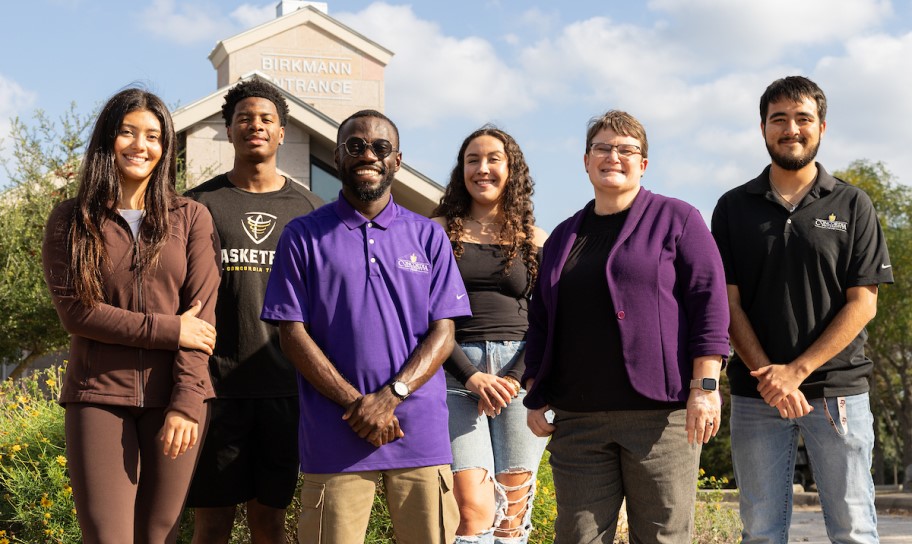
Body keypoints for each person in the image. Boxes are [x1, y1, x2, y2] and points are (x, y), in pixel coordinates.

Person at [260, 109, 472, 544]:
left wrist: (391, 397)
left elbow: (444, 331)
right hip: (335, 433)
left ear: (396, 160)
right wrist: (359, 406)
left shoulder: (428, 236)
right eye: (355, 146)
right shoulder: (302, 235)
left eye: (380, 147)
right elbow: (291, 333)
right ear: (338, 156)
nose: (368, 155)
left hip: (419, 433)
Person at [522, 110, 730, 543]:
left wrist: (705, 389)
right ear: (585, 160)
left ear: (643, 164)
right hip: (578, 421)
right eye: (602, 147)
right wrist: (534, 391)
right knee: (576, 536)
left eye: (626, 149)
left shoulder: (678, 218)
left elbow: (709, 304)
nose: (613, 156)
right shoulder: (562, 237)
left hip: (659, 420)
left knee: (662, 537)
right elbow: (541, 320)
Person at [711, 76, 892, 544]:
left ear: (822, 127)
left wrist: (796, 371)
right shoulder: (732, 208)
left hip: (837, 393)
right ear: (764, 129)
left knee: (853, 528)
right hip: (756, 396)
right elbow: (726, 304)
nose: (791, 128)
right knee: (761, 531)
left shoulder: (853, 203)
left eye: (803, 118)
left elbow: (863, 303)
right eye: (779, 120)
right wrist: (769, 376)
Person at [41, 88, 220, 543]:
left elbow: (201, 325)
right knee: (107, 537)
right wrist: (171, 329)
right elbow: (79, 314)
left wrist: (186, 402)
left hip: (174, 402)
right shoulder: (71, 220)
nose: (141, 145)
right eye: (128, 132)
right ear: (108, 139)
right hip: (97, 396)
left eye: (154, 136)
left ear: (166, 148)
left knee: (159, 534)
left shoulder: (191, 218)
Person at [185, 77, 323, 543]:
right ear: (229, 130)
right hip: (214, 390)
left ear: (282, 131)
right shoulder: (197, 206)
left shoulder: (310, 211)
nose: (255, 126)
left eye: (266, 118)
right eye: (244, 118)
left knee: (270, 523)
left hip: (285, 391)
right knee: (211, 525)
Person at [431, 126, 548, 544]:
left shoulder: (535, 240)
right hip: (454, 375)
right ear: (461, 169)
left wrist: (514, 377)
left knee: (512, 514)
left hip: (520, 377)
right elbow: (426, 316)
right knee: (473, 510)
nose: (483, 168)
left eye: (493, 159)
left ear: (511, 169)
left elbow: (546, 318)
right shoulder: (436, 232)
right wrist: (471, 376)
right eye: (472, 160)